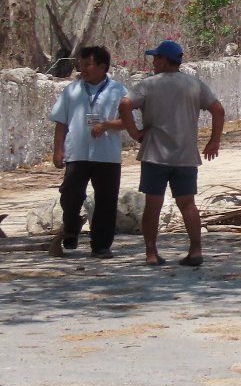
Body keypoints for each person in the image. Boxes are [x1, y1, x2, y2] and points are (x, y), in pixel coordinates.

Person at [118, 39, 224, 266]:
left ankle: (151, 253)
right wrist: (214, 141)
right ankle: (195, 251)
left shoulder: (149, 85)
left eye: (156, 58)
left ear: (165, 60)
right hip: (185, 155)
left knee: (153, 205)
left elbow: (125, 105)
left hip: (154, 155)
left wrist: (135, 133)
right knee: (187, 204)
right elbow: (218, 110)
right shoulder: (194, 85)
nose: (153, 62)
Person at [47, 45, 132, 259]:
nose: (83, 69)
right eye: (81, 65)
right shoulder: (71, 90)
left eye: (88, 65)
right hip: (77, 153)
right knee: (70, 195)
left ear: (102, 66)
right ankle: (71, 228)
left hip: (107, 156)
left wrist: (106, 125)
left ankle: (101, 245)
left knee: (106, 200)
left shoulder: (119, 91)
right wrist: (58, 151)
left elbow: (128, 122)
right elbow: (60, 122)